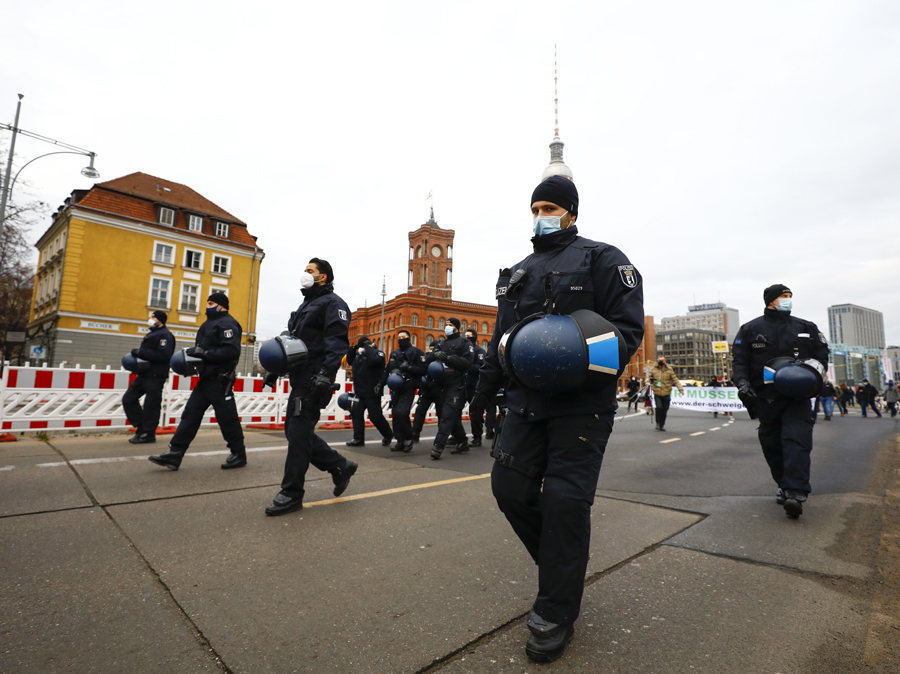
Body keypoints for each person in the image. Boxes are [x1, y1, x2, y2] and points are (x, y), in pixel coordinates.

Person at [474, 175, 644, 663]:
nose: (541, 214)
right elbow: (502, 339)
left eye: (550, 206)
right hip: (525, 402)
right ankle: (561, 570)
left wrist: (576, 360)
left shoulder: (605, 259)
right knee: (509, 489)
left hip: (581, 403)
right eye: (536, 207)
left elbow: (626, 330)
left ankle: (556, 609)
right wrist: (484, 394)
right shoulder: (518, 270)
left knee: (566, 502)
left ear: (570, 211)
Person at [264, 258, 358, 516]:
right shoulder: (306, 304)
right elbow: (293, 342)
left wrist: (326, 375)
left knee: (298, 433)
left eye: (310, 271)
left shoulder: (333, 304)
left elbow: (337, 343)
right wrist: (275, 370)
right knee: (295, 432)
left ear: (323, 276)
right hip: (299, 376)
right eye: (305, 270)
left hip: (315, 379)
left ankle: (291, 493)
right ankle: (340, 466)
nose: (305, 274)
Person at [732, 284, 829, 518]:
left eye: (790, 296)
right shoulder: (750, 329)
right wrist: (743, 385)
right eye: (784, 296)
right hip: (766, 399)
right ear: (771, 300)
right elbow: (739, 362)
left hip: (798, 397)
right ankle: (784, 484)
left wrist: (814, 378)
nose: (788, 300)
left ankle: (796, 492)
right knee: (772, 444)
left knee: (797, 440)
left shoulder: (806, 327)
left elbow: (822, 357)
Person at [148, 293, 246, 471]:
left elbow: (232, 351)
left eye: (211, 303)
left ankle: (238, 453)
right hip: (206, 378)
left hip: (220, 380)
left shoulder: (228, 323)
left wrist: (205, 354)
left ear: (222, 306)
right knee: (190, 414)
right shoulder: (208, 324)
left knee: (227, 418)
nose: (207, 306)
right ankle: (175, 454)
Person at [122, 310, 175, 443]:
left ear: (160, 320)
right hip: (144, 374)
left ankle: (148, 433)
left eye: (153, 317)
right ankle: (141, 427)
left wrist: (141, 353)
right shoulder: (152, 333)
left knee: (151, 405)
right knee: (129, 399)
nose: (150, 319)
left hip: (156, 375)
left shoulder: (165, 335)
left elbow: (164, 355)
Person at [427, 317, 473, 459]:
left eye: (450, 325)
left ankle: (438, 446)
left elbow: (467, 362)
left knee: (447, 415)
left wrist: (448, 358)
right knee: (446, 413)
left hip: (456, 384)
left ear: (457, 327)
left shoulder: (465, 342)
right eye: (446, 324)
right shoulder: (442, 342)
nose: (447, 326)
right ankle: (462, 441)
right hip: (442, 384)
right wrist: (435, 354)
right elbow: (428, 358)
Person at [381, 329, 427, 452]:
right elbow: (388, 370)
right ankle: (400, 440)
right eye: (399, 337)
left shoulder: (417, 352)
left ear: (409, 338)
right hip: (396, 387)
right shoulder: (394, 353)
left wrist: (410, 368)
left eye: (403, 337)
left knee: (402, 412)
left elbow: (423, 369)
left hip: (409, 386)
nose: (401, 339)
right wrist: (380, 384)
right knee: (395, 414)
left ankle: (408, 438)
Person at [345, 335, 392, 447]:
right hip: (359, 392)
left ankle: (388, 434)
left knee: (375, 417)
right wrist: (354, 347)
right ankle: (358, 439)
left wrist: (369, 348)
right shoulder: (359, 356)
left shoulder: (377, 354)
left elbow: (374, 361)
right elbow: (349, 359)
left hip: (372, 392)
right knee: (356, 414)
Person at [465, 328, 495, 447]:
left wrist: (467, 365)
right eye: (465, 335)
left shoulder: (479, 351)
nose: (466, 338)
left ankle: (478, 436)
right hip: (463, 385)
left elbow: (480, 368)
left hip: (475, 386)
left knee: (476, 412)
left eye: (469, 336)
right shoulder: (464, 351)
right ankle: (457, 437)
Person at [411, 343, 443, 443]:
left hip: (439, 389)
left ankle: (441, 436)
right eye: (431, 349)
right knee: (420, 411)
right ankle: (415, 433)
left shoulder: (443, 358)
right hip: (427, 389)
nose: (432, 352)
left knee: (441, 414)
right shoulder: (427, 358)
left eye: (434, 349)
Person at [649, 357, 683, 430]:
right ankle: (658, 423)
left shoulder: (669, 370)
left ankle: (662, 424)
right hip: (657, 392)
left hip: (667, 392)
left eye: (662, 361)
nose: (661, 362)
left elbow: (675, 379)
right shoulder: (654, 369)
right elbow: (648, 377)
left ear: (665, 361)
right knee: (659, 407)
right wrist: (646, 381)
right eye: (659, 361)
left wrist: (680, 388)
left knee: (665, 409)